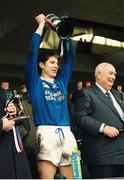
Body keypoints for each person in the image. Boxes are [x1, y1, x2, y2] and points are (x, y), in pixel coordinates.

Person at [25, 14, 77, 179]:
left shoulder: (61, 81)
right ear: (41, 65)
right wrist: (40, 26)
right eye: (52, 63)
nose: (56, 66)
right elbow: (32, 54)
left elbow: (71, 57)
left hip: (67, 134)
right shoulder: (35, 83)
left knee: (75, 177)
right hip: (46, 134)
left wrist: (65, 36)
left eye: (57, 63)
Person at [75, 62, 124, 179]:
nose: (114, 77)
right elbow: (80, 117)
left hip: (121, 153)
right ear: (98, 75)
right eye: (110, 73)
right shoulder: (86, 93)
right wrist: (103, 127)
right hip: (102, 155)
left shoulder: (116, 94)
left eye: (115, 74)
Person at [0, 84, 32, 178]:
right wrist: (1, 125)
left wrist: (12, 111)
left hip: (12, 147)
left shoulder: (1, 90)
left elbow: (4, 112)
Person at [19, 84, 38, 178]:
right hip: (29, 146)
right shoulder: (21, 103)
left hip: (48, 145)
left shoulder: (45, 101)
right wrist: (27, 135)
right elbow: (16, 123)